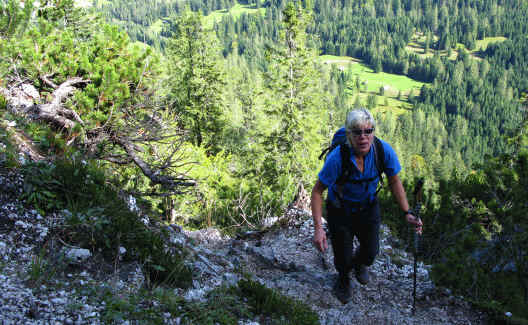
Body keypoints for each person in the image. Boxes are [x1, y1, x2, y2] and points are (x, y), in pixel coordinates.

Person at [311, 108, 423, 304]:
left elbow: (395, 182)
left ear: (373, 132)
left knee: (371, 253)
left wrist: (407, 212)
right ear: (349, 135)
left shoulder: (383, 151)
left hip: (368, 208)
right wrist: (318, 228)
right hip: (340, 210)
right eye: (357, 132)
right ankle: (344, 279)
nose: (363, 137)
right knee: (342, 259)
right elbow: (317, 192)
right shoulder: (338, 158)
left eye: (368, 131)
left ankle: (360, 264)